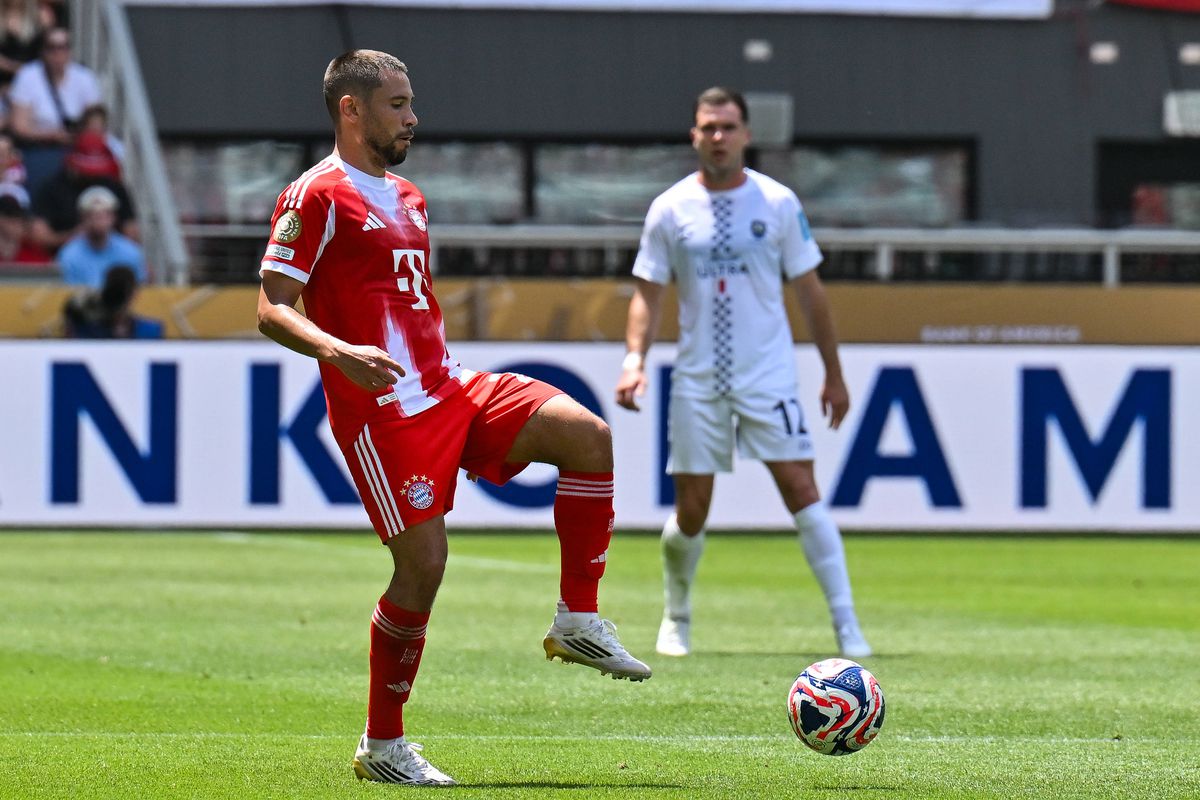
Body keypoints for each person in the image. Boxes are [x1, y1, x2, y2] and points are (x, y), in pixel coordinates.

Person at [255, 50, 651, 787]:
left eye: (410, 103)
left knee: (587, 436)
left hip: (449, 386)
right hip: (385, 413)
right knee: (424, 567)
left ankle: (578, 621)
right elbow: (271, 305)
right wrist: (338, 350)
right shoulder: (314, 196)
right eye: (399, 104)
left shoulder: (408, 194)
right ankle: (383, 746)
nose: (413, 116)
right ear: (352, 109)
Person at [615, 86, 872, 661]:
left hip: (769, 374)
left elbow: (811, 294)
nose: (718, 137)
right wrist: (635, 358)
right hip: (698, 378)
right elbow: (647, 294)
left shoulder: (778, 203)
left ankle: (847, 624)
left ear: (746, 134)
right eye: (708, 127)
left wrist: (833, 373)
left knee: (802, 490)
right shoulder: (670, 208)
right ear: (694, 135)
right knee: (693, 509)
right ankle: (676, 615)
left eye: (728, 127)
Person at [8, 27, 100, 192]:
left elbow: (95, 119)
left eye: (64, 47)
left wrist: (77, 134)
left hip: (77, 147)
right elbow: (19, 126)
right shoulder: (28, 76)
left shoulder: (84, 78)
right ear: (43, 50)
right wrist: (53, 136)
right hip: (39, 148)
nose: (58, 53)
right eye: (52, 47)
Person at [31, 129, 136, 250]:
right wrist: (71, 236)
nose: (92, 176)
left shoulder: (113, 186)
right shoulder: (52, 188)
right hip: (63, 257)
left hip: (111, 255)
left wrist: (105, 236)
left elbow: (131, 231)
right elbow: (38, 236)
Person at [57, 184, 144, 287]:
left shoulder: (131, 252)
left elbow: (138, 290)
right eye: (92, 215)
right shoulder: (69, 255)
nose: (99, 221)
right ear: (82, 218)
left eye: (105, 215)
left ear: (114, 217)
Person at [61, 263, 163, 338]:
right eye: (115, 292)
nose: (118, 297)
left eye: (122, 293)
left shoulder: (150, 330)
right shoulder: (86, 326)